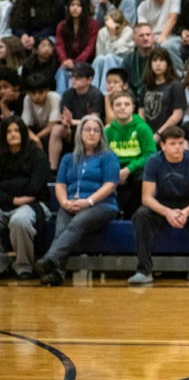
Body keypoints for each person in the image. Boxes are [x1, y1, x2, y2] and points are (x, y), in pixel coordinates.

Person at [36, 115, 119, 286]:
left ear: (101, 134)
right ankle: (57, 273)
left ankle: (50, 259)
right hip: (71, 203)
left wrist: (88, 201)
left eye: (96, 130)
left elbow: (110, 185)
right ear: (80, 133)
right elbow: (60, 185)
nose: (92, 133)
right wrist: (64, 202)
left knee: (77, 223)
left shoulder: (108, 156)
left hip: (102, 205)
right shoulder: (68, 158)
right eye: (87, 129)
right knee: (61, 229)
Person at [128, 125, 189, 284]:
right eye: (173, 144)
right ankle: (144, 271)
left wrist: (186, 212)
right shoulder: (153, 161)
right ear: (163, 146)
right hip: (162, 203)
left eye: (181, 143)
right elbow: (146, 198)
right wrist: (167, 212)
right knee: (141, 215)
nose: (178, 147)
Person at [0, 117, 50, 279]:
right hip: (6, 203)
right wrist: (12, 200)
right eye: (9, 131)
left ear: (23, 132)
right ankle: (2, 265)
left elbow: (34, 187)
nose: (13, 134)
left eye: (16, 130)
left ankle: (24, 267)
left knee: (19, 220)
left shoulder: (38, 156)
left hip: (34, 203)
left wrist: (5, 186)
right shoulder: (1, 155)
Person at [105, 90, 156, 219]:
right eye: (118, 104)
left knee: (142, 178)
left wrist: (129, 169)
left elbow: (150, 155)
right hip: (116, 169)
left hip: (137, 170)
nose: (122, 107)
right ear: (112, 108)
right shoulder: (108, 131)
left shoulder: (142, 128)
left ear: (133, 107)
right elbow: (104, 156)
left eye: (127, 104)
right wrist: (117, 170)